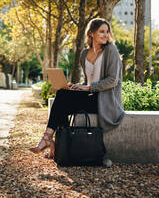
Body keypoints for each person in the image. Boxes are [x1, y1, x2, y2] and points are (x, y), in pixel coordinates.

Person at [29, 18, 125, 166]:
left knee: (62, 99)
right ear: (92, 33)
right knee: (63, 93)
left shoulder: (111, 50)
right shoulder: (84, 54)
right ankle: (51, 141)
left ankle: (50, 141)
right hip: (90, 95)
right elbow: (89, 81)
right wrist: (78, 86)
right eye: (102, 31)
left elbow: (113, 80)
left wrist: (88, 88)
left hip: (104, 100)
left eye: (107, 32)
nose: (106, 35)